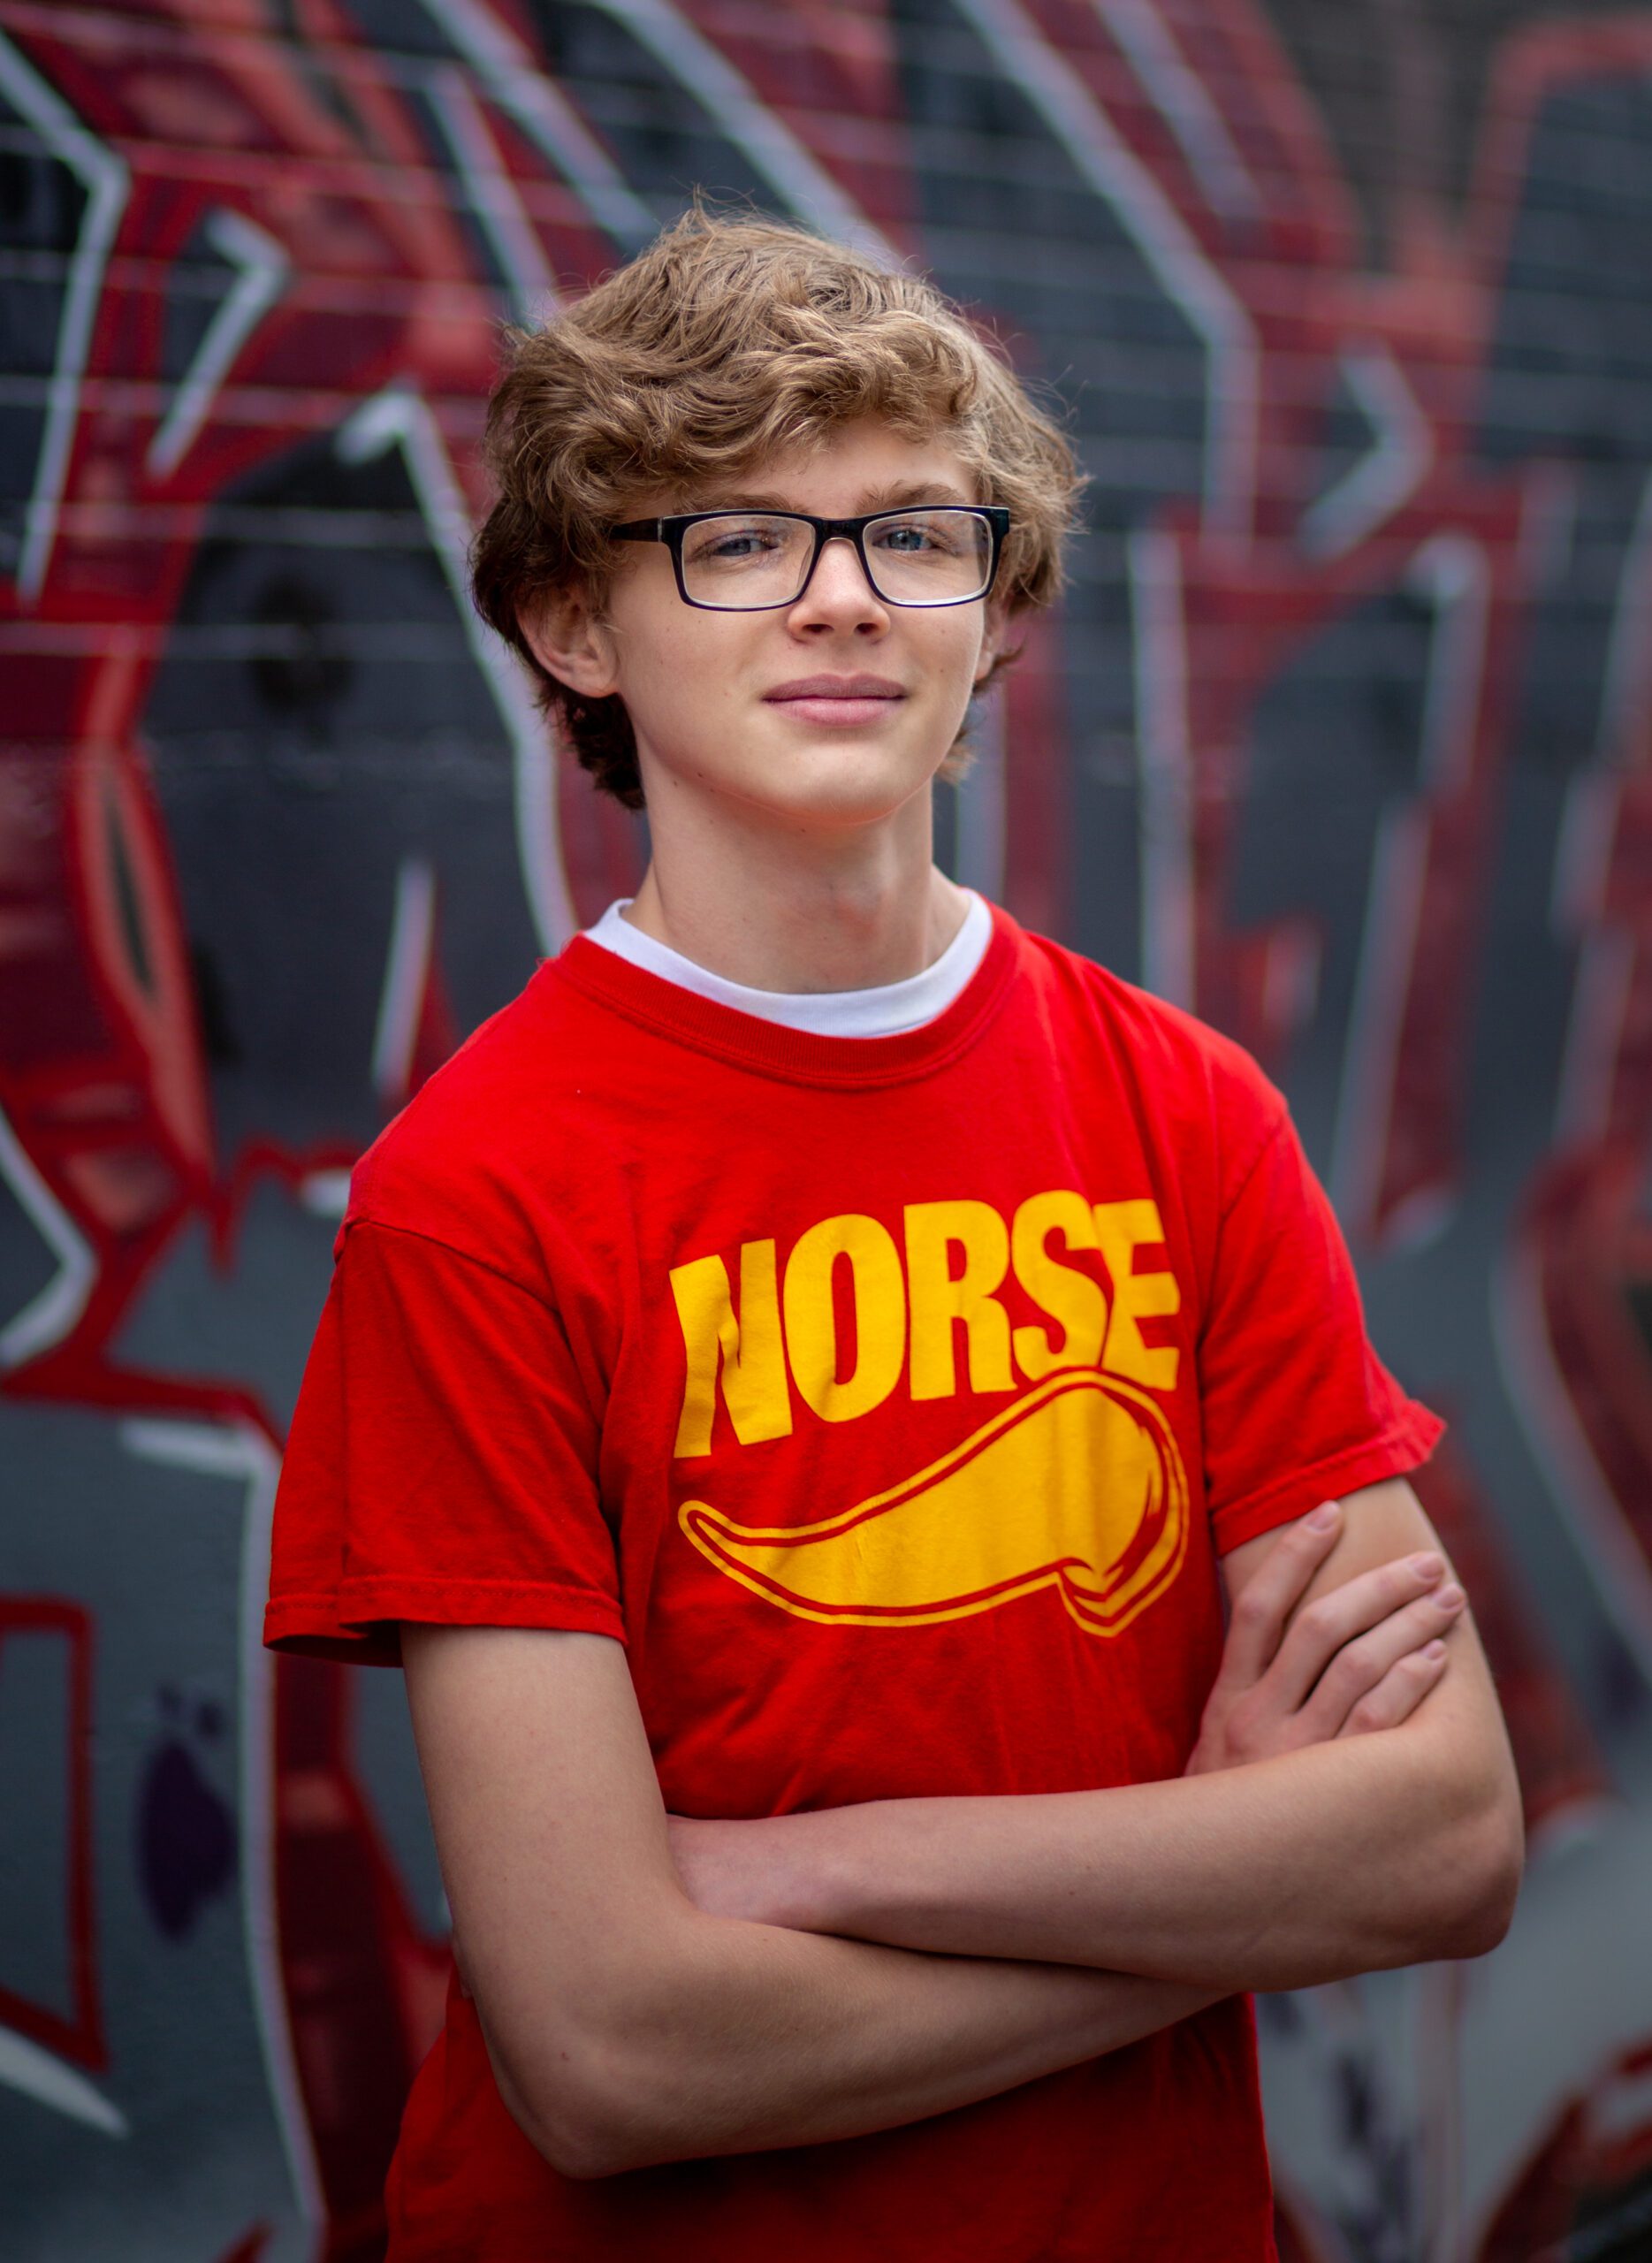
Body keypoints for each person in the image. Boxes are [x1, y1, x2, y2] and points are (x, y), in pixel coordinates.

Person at [264, 210, 1522, 2261]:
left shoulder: (1183, 1111)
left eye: (912, 534)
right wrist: (1217, 1866)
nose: (840, 600)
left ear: (989, 607)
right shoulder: (478, 1195)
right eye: (737, 539)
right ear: (577, 624)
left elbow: (1441, 1839)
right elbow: (608, 2045)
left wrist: (809, 1867)